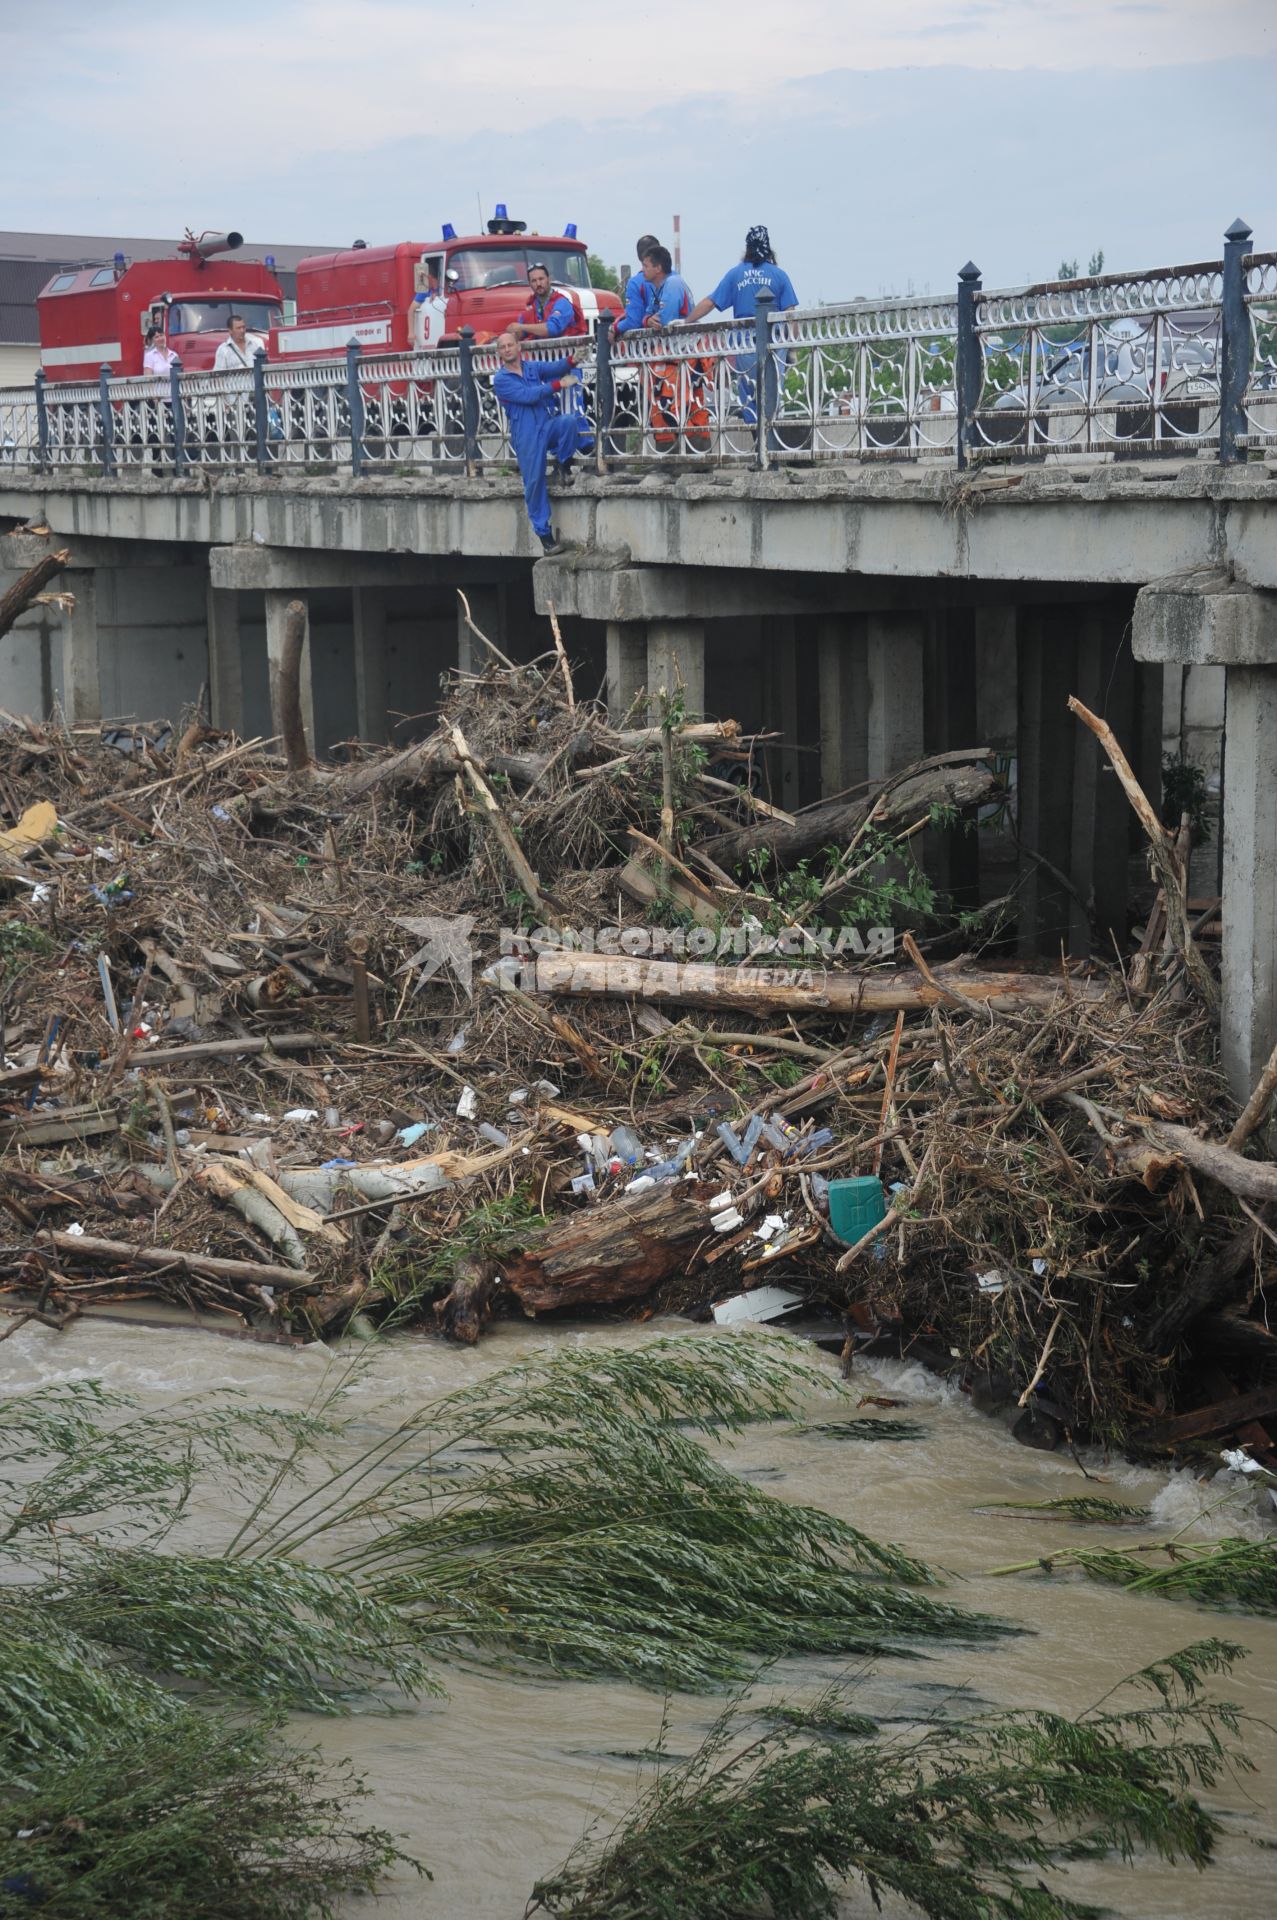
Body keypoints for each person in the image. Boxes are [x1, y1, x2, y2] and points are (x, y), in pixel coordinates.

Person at [682, 226, 798, 426]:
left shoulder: (735, 275)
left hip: (744, 344)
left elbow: (711, 302)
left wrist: (686, 322)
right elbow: (790, 313)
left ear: (747, 248)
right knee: (771, 391)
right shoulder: (779, 275)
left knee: (749, 393)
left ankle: (756, 442)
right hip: (775, 342)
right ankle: (771, 444)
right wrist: (794, 346)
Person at [493, 329, 594, 555]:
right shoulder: (501, 380)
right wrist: (558, 385)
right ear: (499, 353)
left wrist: (572, 359)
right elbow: (528, 396)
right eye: (503, 346)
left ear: (519, 347)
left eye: (510, 344)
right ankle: (545, 537)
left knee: (568, 422)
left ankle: (564, 464)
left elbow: (554, 368)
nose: (507, 349)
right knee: (535, 483)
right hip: (526, 434)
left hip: (545, 425)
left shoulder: (531, 367)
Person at [636, 247, 710, 451]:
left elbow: (664, 322)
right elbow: (649, 317)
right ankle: (682, 455)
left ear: (658, 268)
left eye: (645, 265)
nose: (642, 270)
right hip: (675, 357)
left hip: (681, 357)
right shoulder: (660, 287)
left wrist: (650, 321)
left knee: (678, 404)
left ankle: (689, 455)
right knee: (674, 405)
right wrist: (647, 320)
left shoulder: (672, 285)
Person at [509, 262, 584, 341]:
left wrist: (521, 327)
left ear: (549, 279)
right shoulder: (531, 305)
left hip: (566, 352)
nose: (538, 284)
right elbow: (522, 332)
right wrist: (514, 334)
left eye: (541, 279)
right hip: (539, 352)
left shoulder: (562, 303)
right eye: (534, 281)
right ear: (530, 284)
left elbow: (553, 328)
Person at [614, 234, 660, 336]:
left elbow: (633, 321)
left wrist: (614, 328)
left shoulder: (635, 283)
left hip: (649, 345)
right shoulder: (673, 278)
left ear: (640, 256)